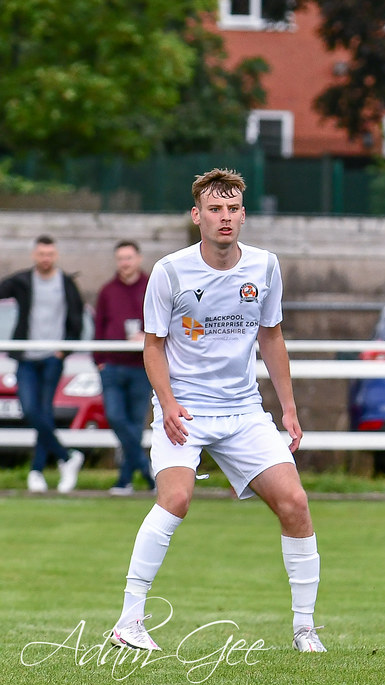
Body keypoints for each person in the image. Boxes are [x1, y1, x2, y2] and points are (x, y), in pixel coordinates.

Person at [109, 169, 327, 653]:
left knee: (295, 504)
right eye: (214, 209)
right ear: (197, 216)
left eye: (232, 209)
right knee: (177, 499)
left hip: (244, 411)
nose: (224, 218)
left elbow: (271, 337)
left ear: (243, 215)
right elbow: (152, 346)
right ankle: (129, 621)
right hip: (185, 408)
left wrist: (288, 408)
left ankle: (305, 629)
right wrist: (167, 404)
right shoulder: (170, 271)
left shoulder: (266, 266)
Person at [0, 235, 86, 493]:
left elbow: (77, 321)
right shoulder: (23, 281)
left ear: (55, 255)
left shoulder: (67, 284)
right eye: (41, 254)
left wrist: (63, 350)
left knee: (44, 412)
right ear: (34, 255)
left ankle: (36, 471)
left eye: (49, 254)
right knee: (31, 410)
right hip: (26, 358)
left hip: (52, 359)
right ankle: (67, 456)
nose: (45, 259)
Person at [94, 240, 156, 496]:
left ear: (138, 258)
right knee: (116, 417)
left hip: (142, 366)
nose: (125, 263)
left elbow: (164, 322)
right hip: (112, 364)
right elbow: (98, 326)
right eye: (120, 258)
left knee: (135, 422)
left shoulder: (152, 286)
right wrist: (98, 359)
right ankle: (147, 470)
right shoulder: (107, 291)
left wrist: (146, 338)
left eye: (129, 257)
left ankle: (124, 480)